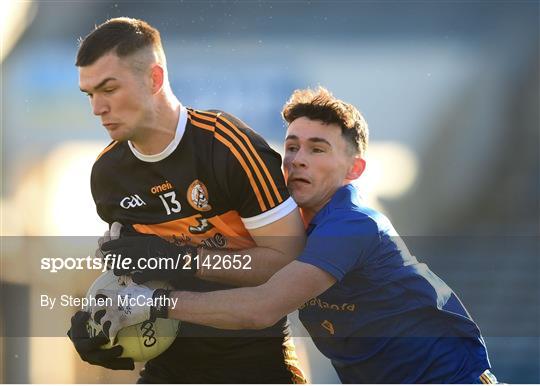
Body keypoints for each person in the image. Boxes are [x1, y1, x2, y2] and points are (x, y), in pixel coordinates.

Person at [91, 87, 500, 384]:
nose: (297, 160)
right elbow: (219, 264)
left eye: (317, 149)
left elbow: (260, 309)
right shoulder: (285, 231)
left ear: (354, 169)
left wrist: (156, 303)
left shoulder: (353, 225)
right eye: (292, 146)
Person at [68, 17, 308, 384]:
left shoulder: (227, 146)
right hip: (168, 369)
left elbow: (288, 265)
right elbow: (134, 279)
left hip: (256, 367)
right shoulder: (107, 174)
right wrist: (95, 321)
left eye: (109, 89)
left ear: (154, 79)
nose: (97, 108)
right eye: (89, 94)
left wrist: (184, 260)